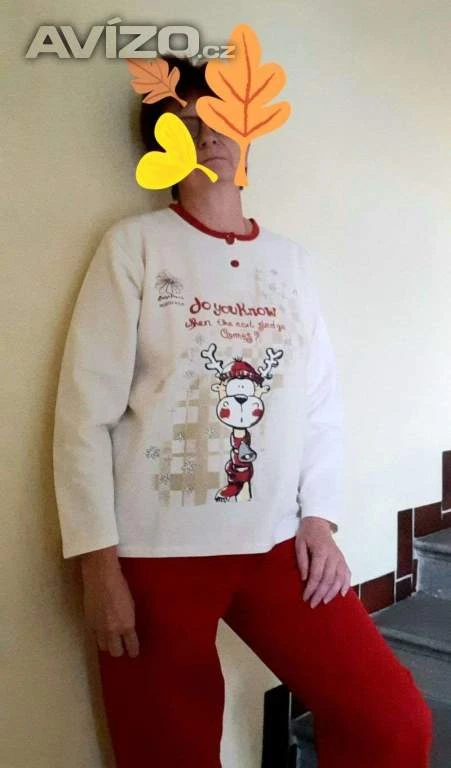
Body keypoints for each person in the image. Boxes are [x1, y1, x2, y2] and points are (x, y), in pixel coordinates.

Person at [53, 55, 433, 767]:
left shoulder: (291, 263)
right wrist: (97, 569)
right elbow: (84, 415)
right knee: (168, 751)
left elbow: (318, 403)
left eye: (220, 117)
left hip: (278, 546)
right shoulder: (133, 248)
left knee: (391, 721)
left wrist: (319, 518)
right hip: (154, 556)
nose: (206, 134)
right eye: (184, 122)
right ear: (160, 148)